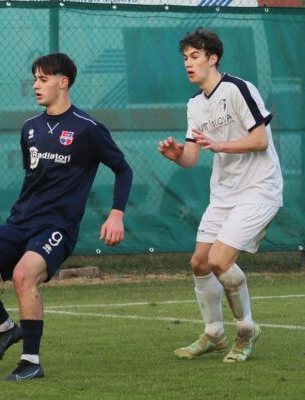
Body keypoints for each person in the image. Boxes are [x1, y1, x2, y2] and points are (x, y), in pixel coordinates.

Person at [0, 53, 133, 381]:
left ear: (63, 82)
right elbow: (34, 177)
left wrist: (116, 215)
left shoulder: (87, 128)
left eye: (43, 79)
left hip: (57, 226)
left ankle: (31, 361)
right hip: (20, 221)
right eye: (35, 79)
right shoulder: (30, 128)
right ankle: (6, 329)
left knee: (24, 276)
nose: (36, 85)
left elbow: (123, 169)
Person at [158, 28, 283, 363]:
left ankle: (246, 330)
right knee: (200, 262)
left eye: (195, 56)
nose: (188, 63)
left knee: (219, 261)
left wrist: (222, 144)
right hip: (224, 194)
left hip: (259, 189)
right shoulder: (195, 105)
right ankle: (213, 333)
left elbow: (260, 140)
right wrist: (176, 156)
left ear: (213, 58)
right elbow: (192, 158)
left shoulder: (237, 88)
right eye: (185, 57)